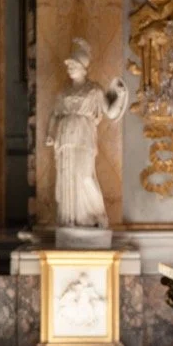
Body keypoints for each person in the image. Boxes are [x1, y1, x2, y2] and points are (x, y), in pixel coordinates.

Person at [45, 38, 128, 227]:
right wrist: (50, 133)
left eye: (73, 65)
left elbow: (110, 112)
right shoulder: (64, 91)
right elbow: (54, 114)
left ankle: (96, 216)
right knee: (67, 179)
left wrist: (121, 96)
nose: (70, 68)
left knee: (85, 177)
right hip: (65, 138)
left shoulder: (94, 90)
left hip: (84, 137)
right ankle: (70, 220)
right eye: (69, 65)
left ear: (83, 67)